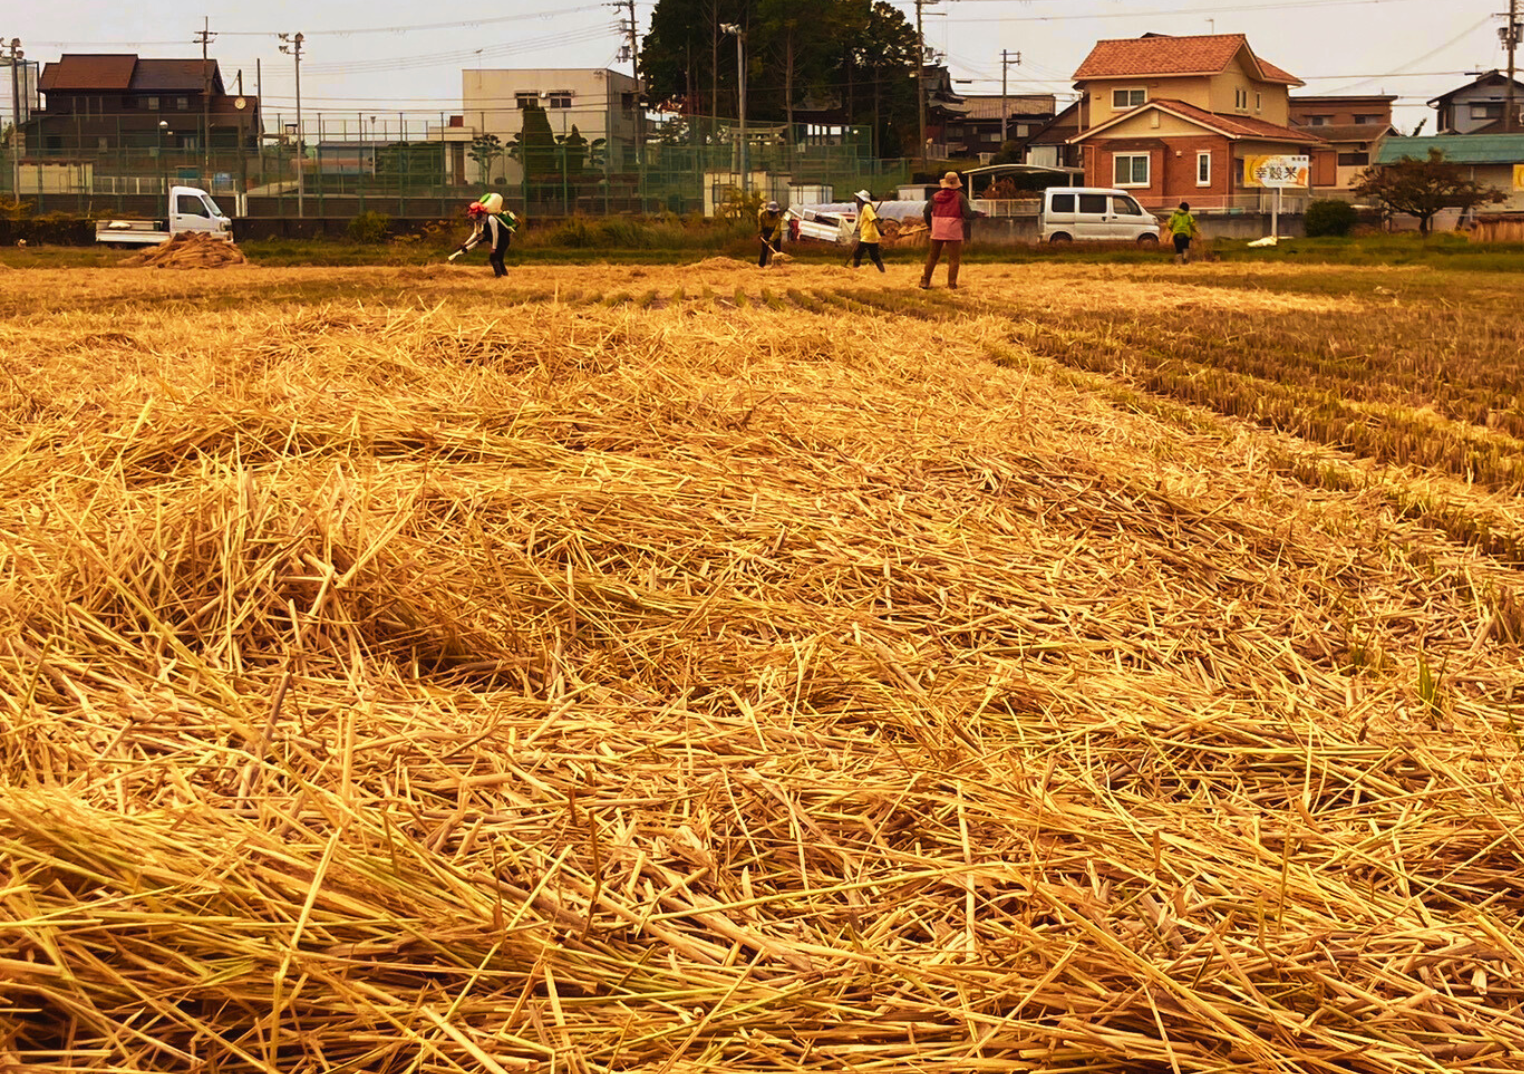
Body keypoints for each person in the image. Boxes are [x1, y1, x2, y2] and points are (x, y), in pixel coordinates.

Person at [920, 172, 979, 289]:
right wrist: (978, 214)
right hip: (953, 229)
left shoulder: (935, 196)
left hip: (937, 228)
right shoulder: (960, 197)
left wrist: (930, 225)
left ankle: (925, 281)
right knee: (954, 259)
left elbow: (926, 212)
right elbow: (967, 214)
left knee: (933, 256)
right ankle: (951, 284)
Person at [449, 193, 517, 277]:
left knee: (494, 258)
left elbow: (495, 233)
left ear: (478, 213)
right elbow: (476, 233)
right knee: (498, 258)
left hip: (502, 239)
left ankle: (499, 276)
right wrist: (465, 244)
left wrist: (494, 247)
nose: (471, 216)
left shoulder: (491, 219)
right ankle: (504, 275)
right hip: (490, 237)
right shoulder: (479, 221)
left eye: (472, 213)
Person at [850, 190, 886, 273]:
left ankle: (854, 272)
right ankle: (883, 272)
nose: (856, 201)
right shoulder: (866, 208)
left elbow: (874, 219)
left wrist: (880, 230)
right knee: (874, 256)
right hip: (870, 235)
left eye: (857, 199)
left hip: (868, 235)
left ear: (861, 200)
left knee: (857, 254)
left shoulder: (867, 207)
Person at [758, 201, 785, 267]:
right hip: (766, 231)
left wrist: (771, 240)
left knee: (777, 249)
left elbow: (777, 231)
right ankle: (761, 265)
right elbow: (760, 224)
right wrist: (760, 232)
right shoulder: (762, 215)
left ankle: (778, 265)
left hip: (775, 233)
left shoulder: (778, 218)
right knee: (764, 249)